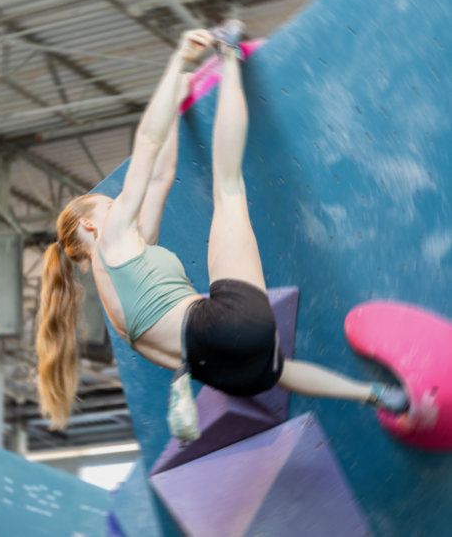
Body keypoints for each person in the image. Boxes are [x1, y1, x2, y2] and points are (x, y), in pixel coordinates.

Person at [36, 22, 408, 429]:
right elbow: (147, 142)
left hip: (234, 374)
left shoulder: (117, 302)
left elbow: (162, 178)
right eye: (109, 204)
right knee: (228, 188)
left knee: (281, 370)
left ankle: (377, 395)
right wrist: (179, 57)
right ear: (90, 228)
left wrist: (179, 106)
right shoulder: (112, 235)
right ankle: (230, 56)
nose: (118, 205)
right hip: (221, 326)